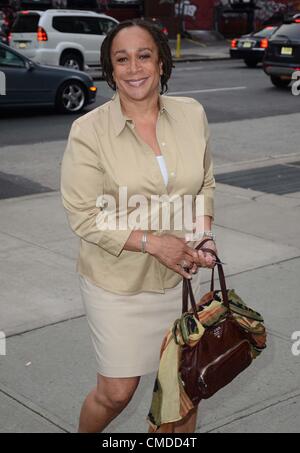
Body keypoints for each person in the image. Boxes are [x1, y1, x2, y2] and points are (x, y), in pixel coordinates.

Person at [60, 19, 217, 433]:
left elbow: (204, 182)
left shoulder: (192, 114)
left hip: (183, 279)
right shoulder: (88, 132)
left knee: (183, 389)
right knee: (117, 392)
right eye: (122, 59)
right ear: (110, 71)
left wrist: (204, 235)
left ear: (161, 62)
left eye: (144, 56)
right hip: (118, 283)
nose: (134, 68)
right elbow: (83, 215)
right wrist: (152, 242)